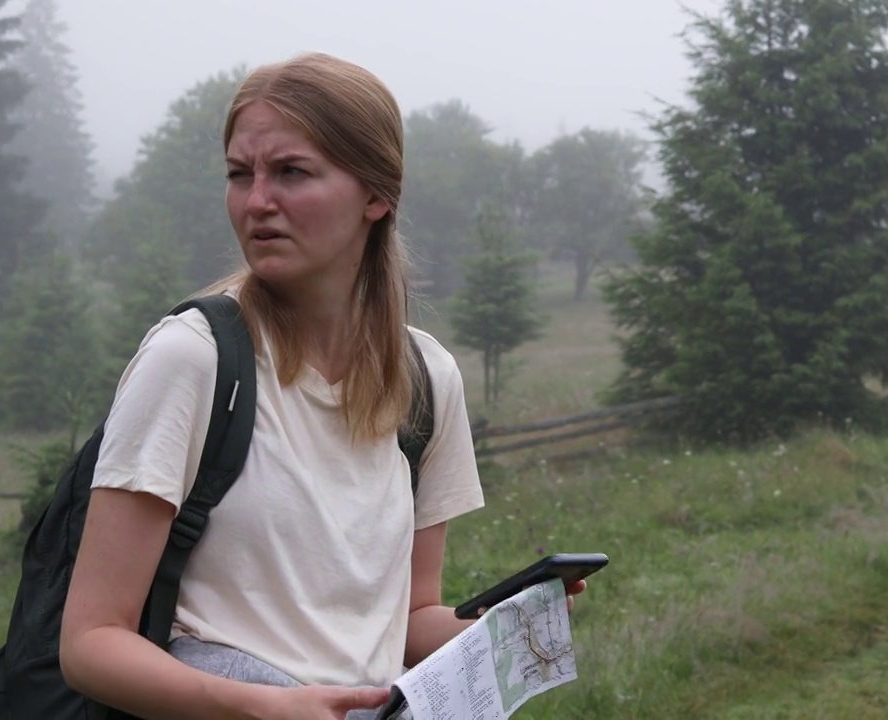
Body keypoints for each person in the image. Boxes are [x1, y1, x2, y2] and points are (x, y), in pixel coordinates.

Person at [57, 52, 584, 720]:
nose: (256, 202)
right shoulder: (193, 359)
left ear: (376, 194)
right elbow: (90, 643)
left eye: (291, 172)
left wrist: (501, 632)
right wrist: (258, 707)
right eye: (239, 174)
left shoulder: (425, 382)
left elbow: (410, 618)